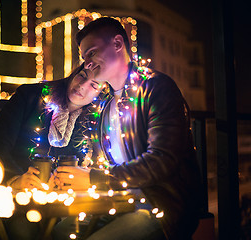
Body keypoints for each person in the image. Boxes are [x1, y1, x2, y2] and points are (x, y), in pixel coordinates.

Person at [53, 17, 202, 240]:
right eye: (84, 58)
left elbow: (162, 160)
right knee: (60, 232)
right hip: (117, 201)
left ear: (117, 44)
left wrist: (94, 178)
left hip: (161, 206)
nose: (87, 63)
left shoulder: (157, 87)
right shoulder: (103, 105)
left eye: (92, 53)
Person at [0, 64, 105, 240]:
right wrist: (14, 179)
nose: (82, 85)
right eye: (82, 76)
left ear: (101, 93)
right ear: (73, 74)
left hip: (47, 207)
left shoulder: (93, 124)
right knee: (9, 230)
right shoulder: (31, 96)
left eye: (94, 85)